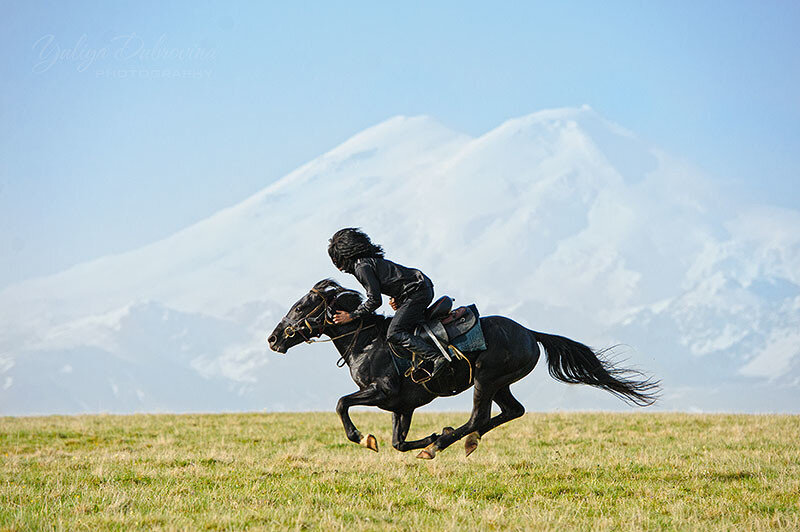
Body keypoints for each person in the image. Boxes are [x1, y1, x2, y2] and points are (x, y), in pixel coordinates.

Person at [327, 228, 447, 380]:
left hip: (418, 291)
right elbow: (393, 280)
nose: (337, 265)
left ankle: (435, 357)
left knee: (394, 332)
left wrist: (351, 316)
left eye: (336, 259)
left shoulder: (361, 267)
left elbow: (375, 300)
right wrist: (397, 298)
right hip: (419, 288)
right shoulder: (366, 263)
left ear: (344, 256)